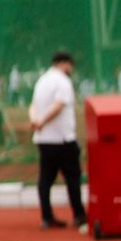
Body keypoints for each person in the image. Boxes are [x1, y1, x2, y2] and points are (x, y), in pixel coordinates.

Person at [29, 51, 86, 230]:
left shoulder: (42, 80)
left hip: (44, 139)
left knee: (45, 179)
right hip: (62, 138)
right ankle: (79, 214)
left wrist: (36, 121)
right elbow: (59, 105)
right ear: (64, 64)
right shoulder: (63, 81)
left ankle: (47, 217)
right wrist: (42, 121)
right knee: (72, 178)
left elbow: (33, 106)